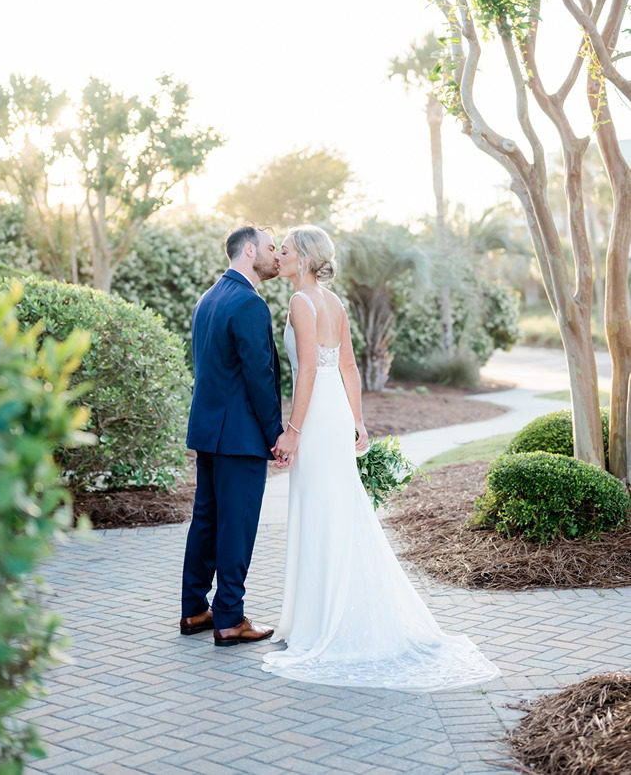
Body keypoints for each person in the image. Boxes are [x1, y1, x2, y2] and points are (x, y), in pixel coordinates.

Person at [262, 224, 500, 690]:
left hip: (315, 414)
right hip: (334, 411)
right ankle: (317, 615)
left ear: (305, 259)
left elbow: (309, 369)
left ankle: (319, 624)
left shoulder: (300, 302)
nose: (280, 256)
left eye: (286, 250)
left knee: (320, 509)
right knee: (336, 508)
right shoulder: (335, 303)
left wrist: (293, 430)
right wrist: (358, 420)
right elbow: (347, 367)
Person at [180, 225, 283, 647]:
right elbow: (260, 376)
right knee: (236, 526)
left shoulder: (209, 298)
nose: (277, 255)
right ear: (249, 249)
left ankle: (193, 609)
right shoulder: (249, 304)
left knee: (206, 521)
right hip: (239, 437)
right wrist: (275, 432)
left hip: (209, 433)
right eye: (271, 247)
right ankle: (230, 619)